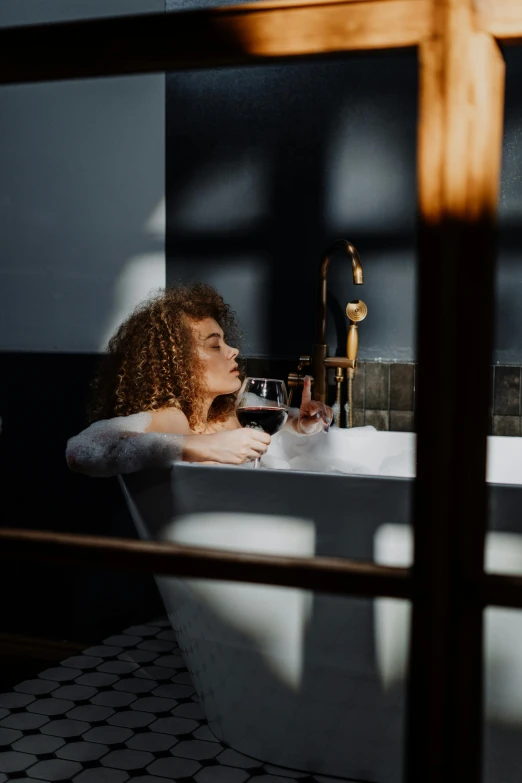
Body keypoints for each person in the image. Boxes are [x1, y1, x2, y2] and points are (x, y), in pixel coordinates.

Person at [66, 282, 333, 477]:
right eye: (215, 346)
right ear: (177, 363)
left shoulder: (226, 416)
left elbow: (276, 428)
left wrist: (301, 424)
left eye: (226, 341)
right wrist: (205, 447)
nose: (233, 351)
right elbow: (83, 450)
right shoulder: (172, 419)